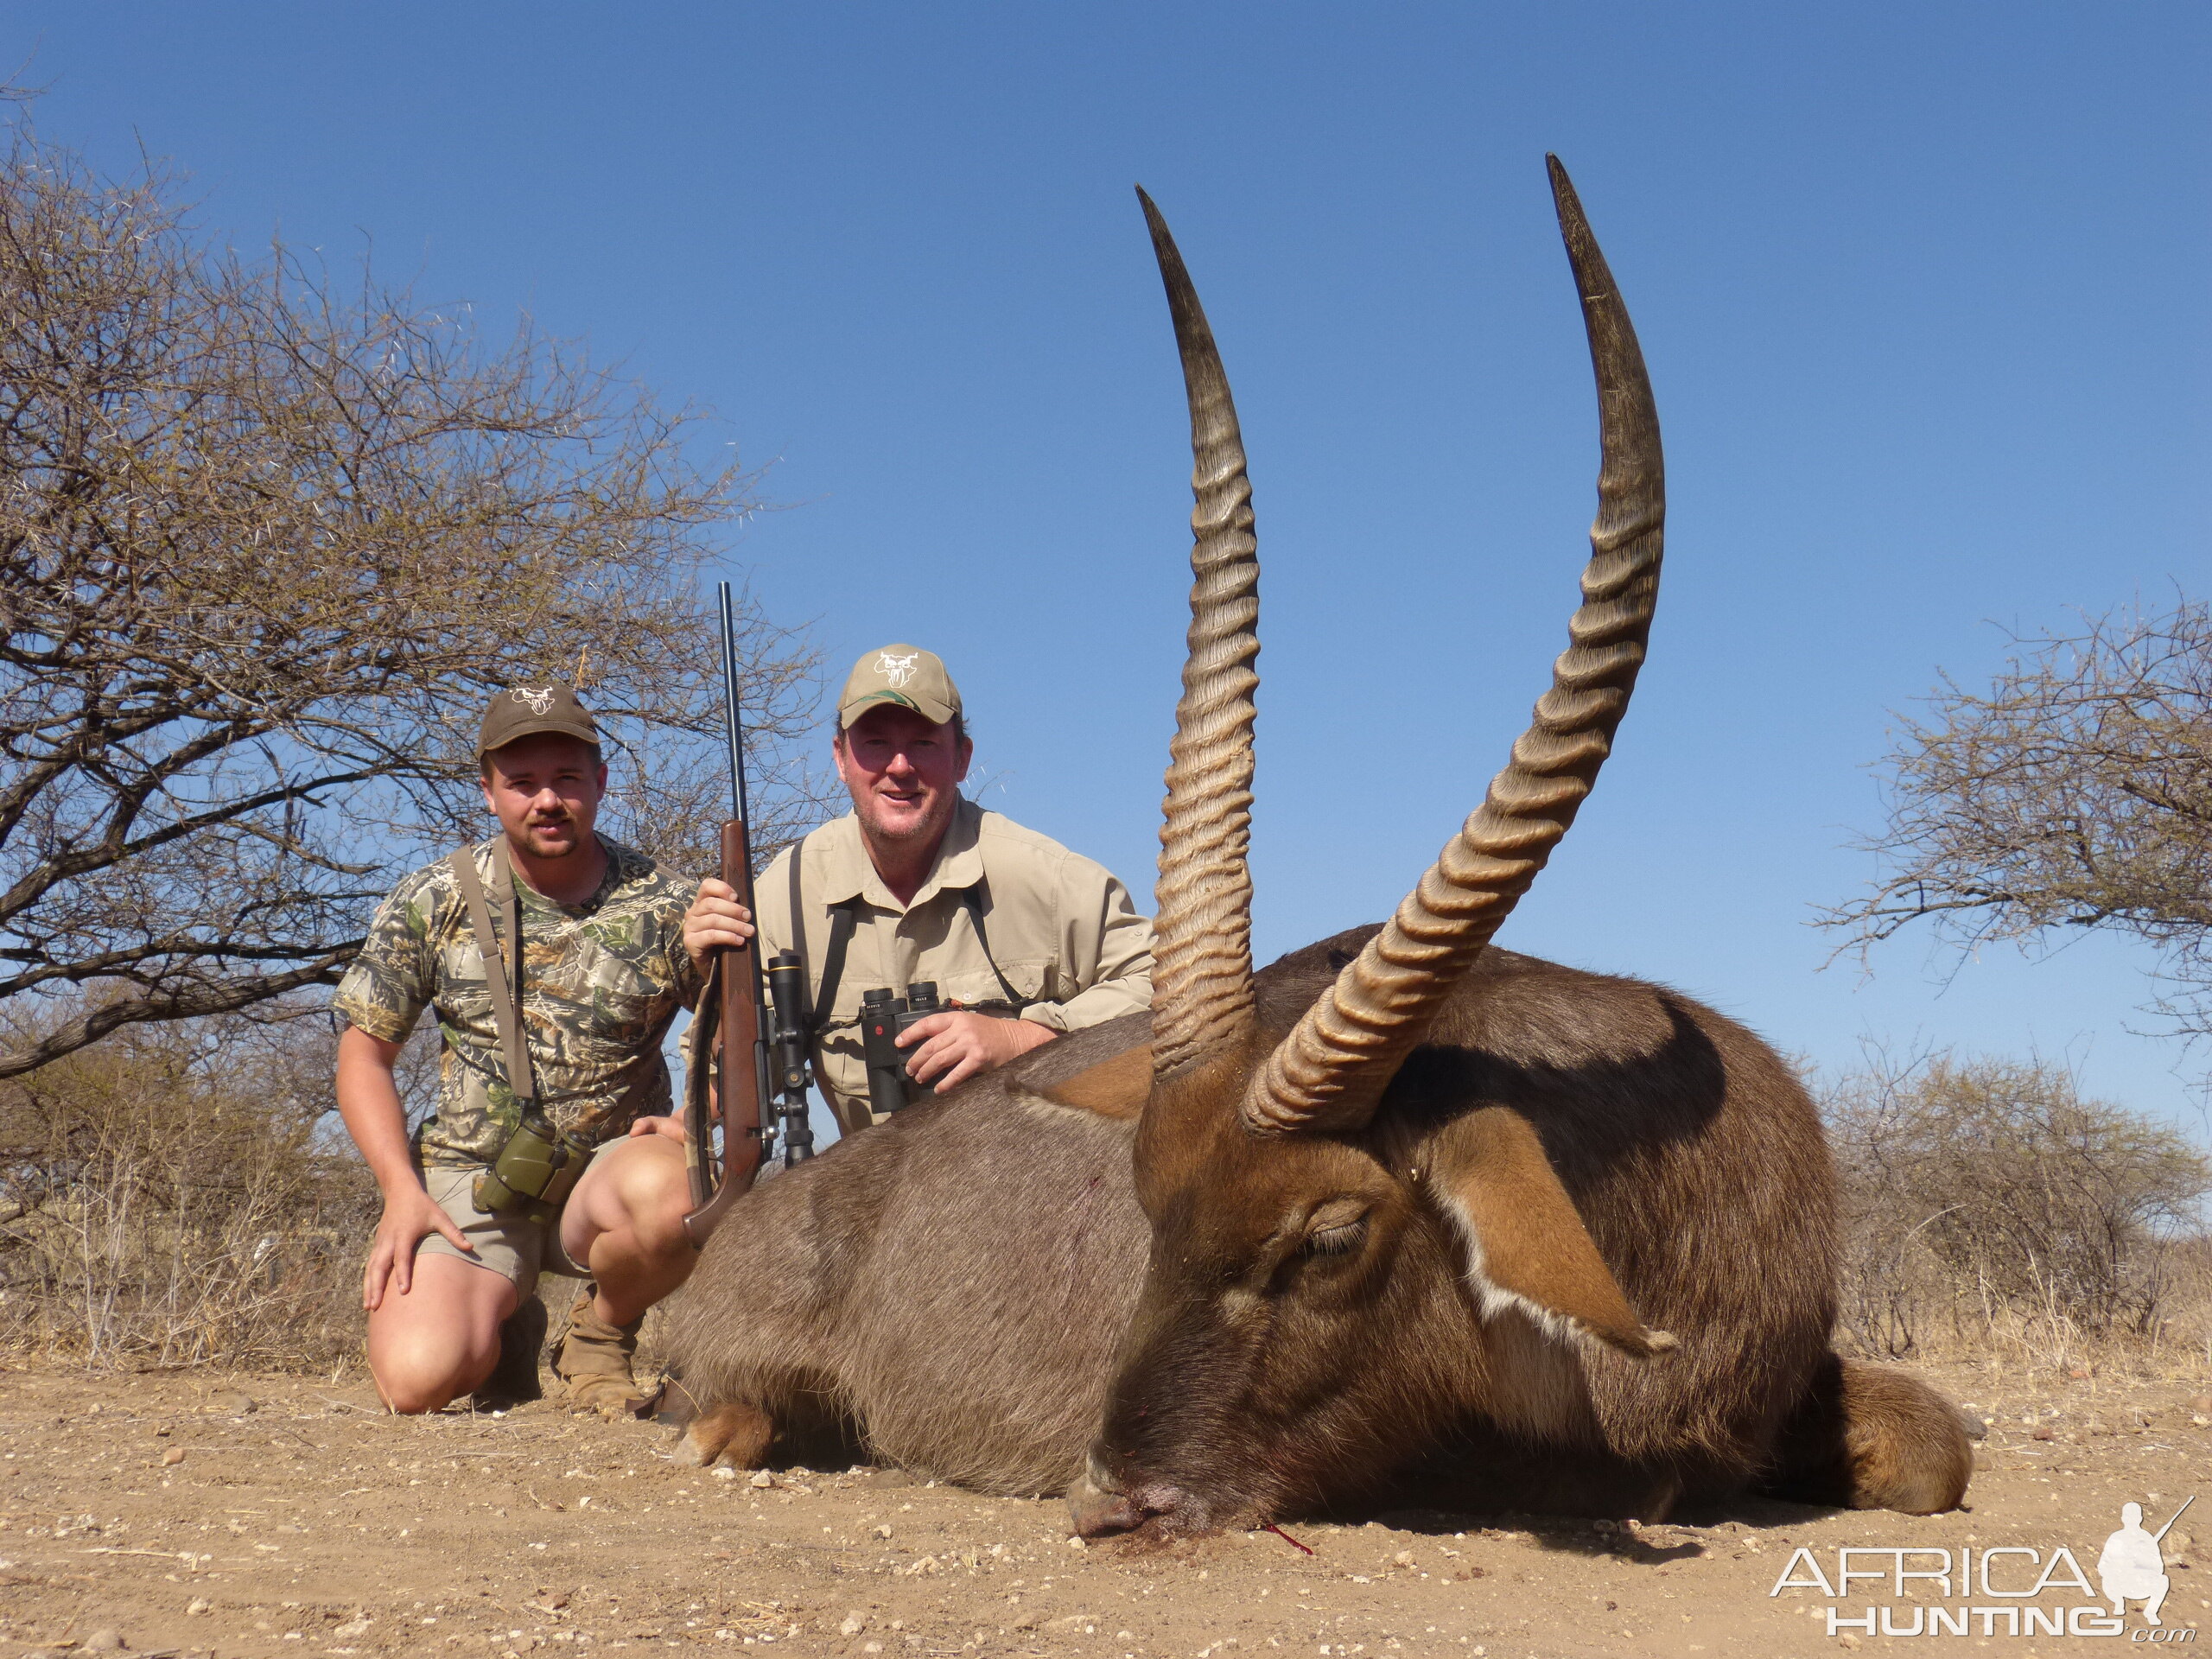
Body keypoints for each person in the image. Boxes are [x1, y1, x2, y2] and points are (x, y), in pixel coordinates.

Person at [333, 683, 707, 1416]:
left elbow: (738, 1039)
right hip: (472, 1182)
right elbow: (363, 1056)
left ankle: (600, 1331)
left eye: (567, 779)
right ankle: (504, 1328)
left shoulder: (671, 904)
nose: (547, 800)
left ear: (600, 782)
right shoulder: (431, 897)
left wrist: (700, 1116)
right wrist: (400, 1192)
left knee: (684, 1190)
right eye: (523, 782)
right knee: (417, 1382)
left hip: (608, 1184)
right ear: (488, 791)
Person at [683, 644, 1153, 1129]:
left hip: (1029, 1188)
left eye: (924, 743)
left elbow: (1170, 988)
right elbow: (738, 1088)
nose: (900, 766)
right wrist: (717, 978)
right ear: (840, 757)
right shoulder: (784, 894)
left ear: (962, 759)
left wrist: (1022, 1038)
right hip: (866, 1193)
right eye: (875, 743)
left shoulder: (1047, 878)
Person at [2098, 1502, 2171, 1625]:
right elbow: (2103, 1566)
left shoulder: (2147, 1538)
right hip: (2119, 1585)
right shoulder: (2116, 1538)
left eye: (2134, 1517)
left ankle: (2151, 1612)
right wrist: (2120, 1566)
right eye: (2128, 1517)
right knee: (2108, 1578)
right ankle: (2119, 1602)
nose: (2131, 1520)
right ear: (2123, 1519)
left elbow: (2159, 1568)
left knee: (2163, 1580)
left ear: (2140, 1519)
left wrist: (2142, 1564)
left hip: (2140, 1584)